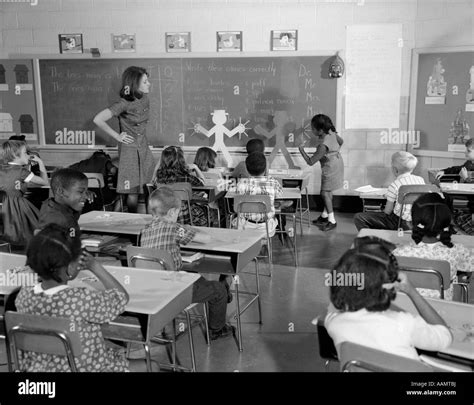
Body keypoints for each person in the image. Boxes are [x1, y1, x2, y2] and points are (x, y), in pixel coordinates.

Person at [15, 224, 130, 372]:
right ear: (70, 267)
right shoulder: (81, 300)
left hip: (39, 370)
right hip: (84, 368)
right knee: (150, 364)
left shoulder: (23, 296)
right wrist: (95, 266)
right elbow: (122, 297)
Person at [324, 237, 452, 361]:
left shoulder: (333, 322)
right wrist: (411, 291)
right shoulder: (404, 323)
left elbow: (336, 303)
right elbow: (445, 337)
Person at [140, 187, 235, 341]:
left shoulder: (145, 230)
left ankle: (222, 293)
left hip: (151, 286)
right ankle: (217, 329)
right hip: (174, 290)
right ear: (171, 212)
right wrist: (190, 229)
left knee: (195, 275)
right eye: (178, 213)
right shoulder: (174, 228)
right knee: (218, 290)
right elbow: (205, 239)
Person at [93, 66, 155, 213]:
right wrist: (117, 136)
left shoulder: (145, 98)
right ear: (135, 84)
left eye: (148, 80)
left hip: (144, 148)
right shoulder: (123, 104)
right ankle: (131, 225)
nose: (149, 84)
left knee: (147, 187)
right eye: (145, 81)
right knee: (132, 191)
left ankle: (147, 223)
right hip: (129, 150)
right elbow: (98, 119)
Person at [393, 193, 474, 300]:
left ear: (411, 223)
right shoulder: (456, 252)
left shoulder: (398, 253)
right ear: (447, 224)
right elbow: (470, 265)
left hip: (408, 308)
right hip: (442, 310)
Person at [354, 151, 425, 231]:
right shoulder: (420, 180)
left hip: (399, 223)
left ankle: (371, 238)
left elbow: (388, 211)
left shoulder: (395, 185)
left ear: (395, 169)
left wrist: (382, 210)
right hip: (418, 222)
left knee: (359, 217)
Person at [298, 114, 344, 231]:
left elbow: (310, 161)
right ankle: (324, 216)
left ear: (320, 130)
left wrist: (301, 150)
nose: (311, 130)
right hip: (337, 163)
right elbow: (341, 141)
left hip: (330, 167)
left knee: (324, 193)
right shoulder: (331, 133)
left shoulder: (323, 146)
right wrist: (334, 152)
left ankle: (332, 220)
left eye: (313, 128)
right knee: (328, 191)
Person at [0, 140, 48, 247]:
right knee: (32, 231)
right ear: (14, 155)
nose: (29, 155)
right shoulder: (22, 171)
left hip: (2, 205)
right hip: (17, 208)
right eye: (26, 153)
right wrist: (40, 163)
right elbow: (44, 182)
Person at [229, 152, 283, 238]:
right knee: (275, 217)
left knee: (235, 221)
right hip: (266, 228)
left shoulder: (241, 184)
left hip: (245, 227)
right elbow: (279, 196)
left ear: (247, 169)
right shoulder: (273, 183)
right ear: (265, 168)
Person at [152, 146, 210, 226]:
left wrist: (161, 163)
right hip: (184, 214)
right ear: (182, 160)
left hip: (163, 213)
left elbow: (153, 180)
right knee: (202, 210)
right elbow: (203, 183)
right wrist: (195, 167)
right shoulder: (187, 177)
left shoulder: (159, 178)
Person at [435, 138, 474, 235]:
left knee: (449, 200)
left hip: (471, 201)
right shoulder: (469, 163)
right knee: (445, 197)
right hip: (468, 198)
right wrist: (444, 171)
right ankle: (447, 224)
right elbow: (457, 169)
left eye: (468, 151)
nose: (465, 152)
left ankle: (451, 224)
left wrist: (466, 179)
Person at [37, 168, 90, 236]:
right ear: (61, 192)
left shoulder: (49, 204)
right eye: (81, 191)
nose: (86, 196)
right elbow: (73, 243)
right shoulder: (62, 221)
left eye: (86, 191)